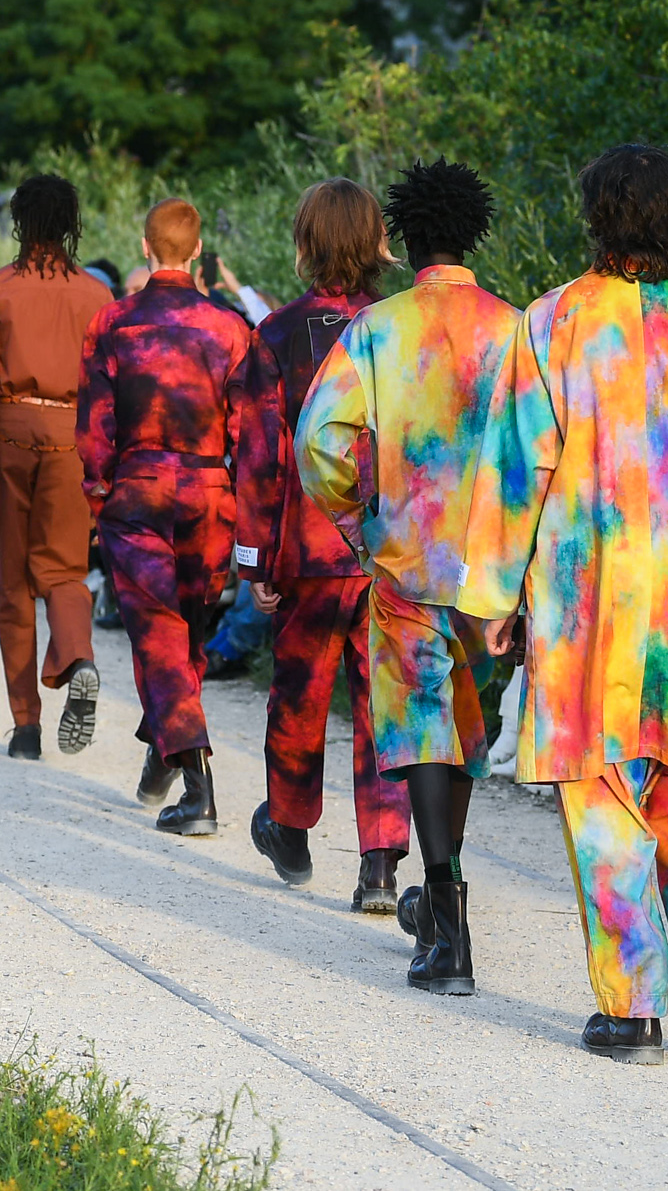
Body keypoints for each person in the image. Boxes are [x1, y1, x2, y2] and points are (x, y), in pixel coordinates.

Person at [462, 144, 668, 1064]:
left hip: (585, 586)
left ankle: (632, 1009)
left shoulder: (554, 320)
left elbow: (519, 465)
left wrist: (495, 593)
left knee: (599, 790)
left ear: (596, 215)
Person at [291, 163, 520, 992]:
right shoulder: (518, 329)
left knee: (423, 725)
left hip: (405, 559)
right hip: (494, 570)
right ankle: (442, 894)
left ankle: (445, 920)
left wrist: (358, 520)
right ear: (475, 233)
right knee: (465, 725)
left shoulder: (377, 329)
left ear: (404, 239)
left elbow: (318, 440)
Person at [228, 177, 409, 907]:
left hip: (307, 549)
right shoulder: (400, 329)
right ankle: (380, 863)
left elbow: (259, 457)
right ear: (377, 244)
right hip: (391, 551)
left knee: (299, 695)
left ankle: (292, 826)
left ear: (305, 244)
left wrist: (254, 559)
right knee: (382, 705)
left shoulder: (277, 334)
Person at [78, 197, 256, 836]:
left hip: (139, 490)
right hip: (209, 494)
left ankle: (197, 786)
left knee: (159, 635)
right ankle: (164, 751)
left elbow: (94, 427)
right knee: (189, 634)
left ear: (145, 247)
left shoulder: (113, 322)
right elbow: (249, 432)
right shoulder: (231, 328)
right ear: (199, 250)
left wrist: (98, 493)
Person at [0, 174, 111, 758]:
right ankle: (77, 657)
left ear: (19, 221)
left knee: (14, 583)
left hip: (9, 435)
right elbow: (108, 391)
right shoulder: (97, 296)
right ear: (71, 223)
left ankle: (26, 726)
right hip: (72, 437)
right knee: (65, 570)